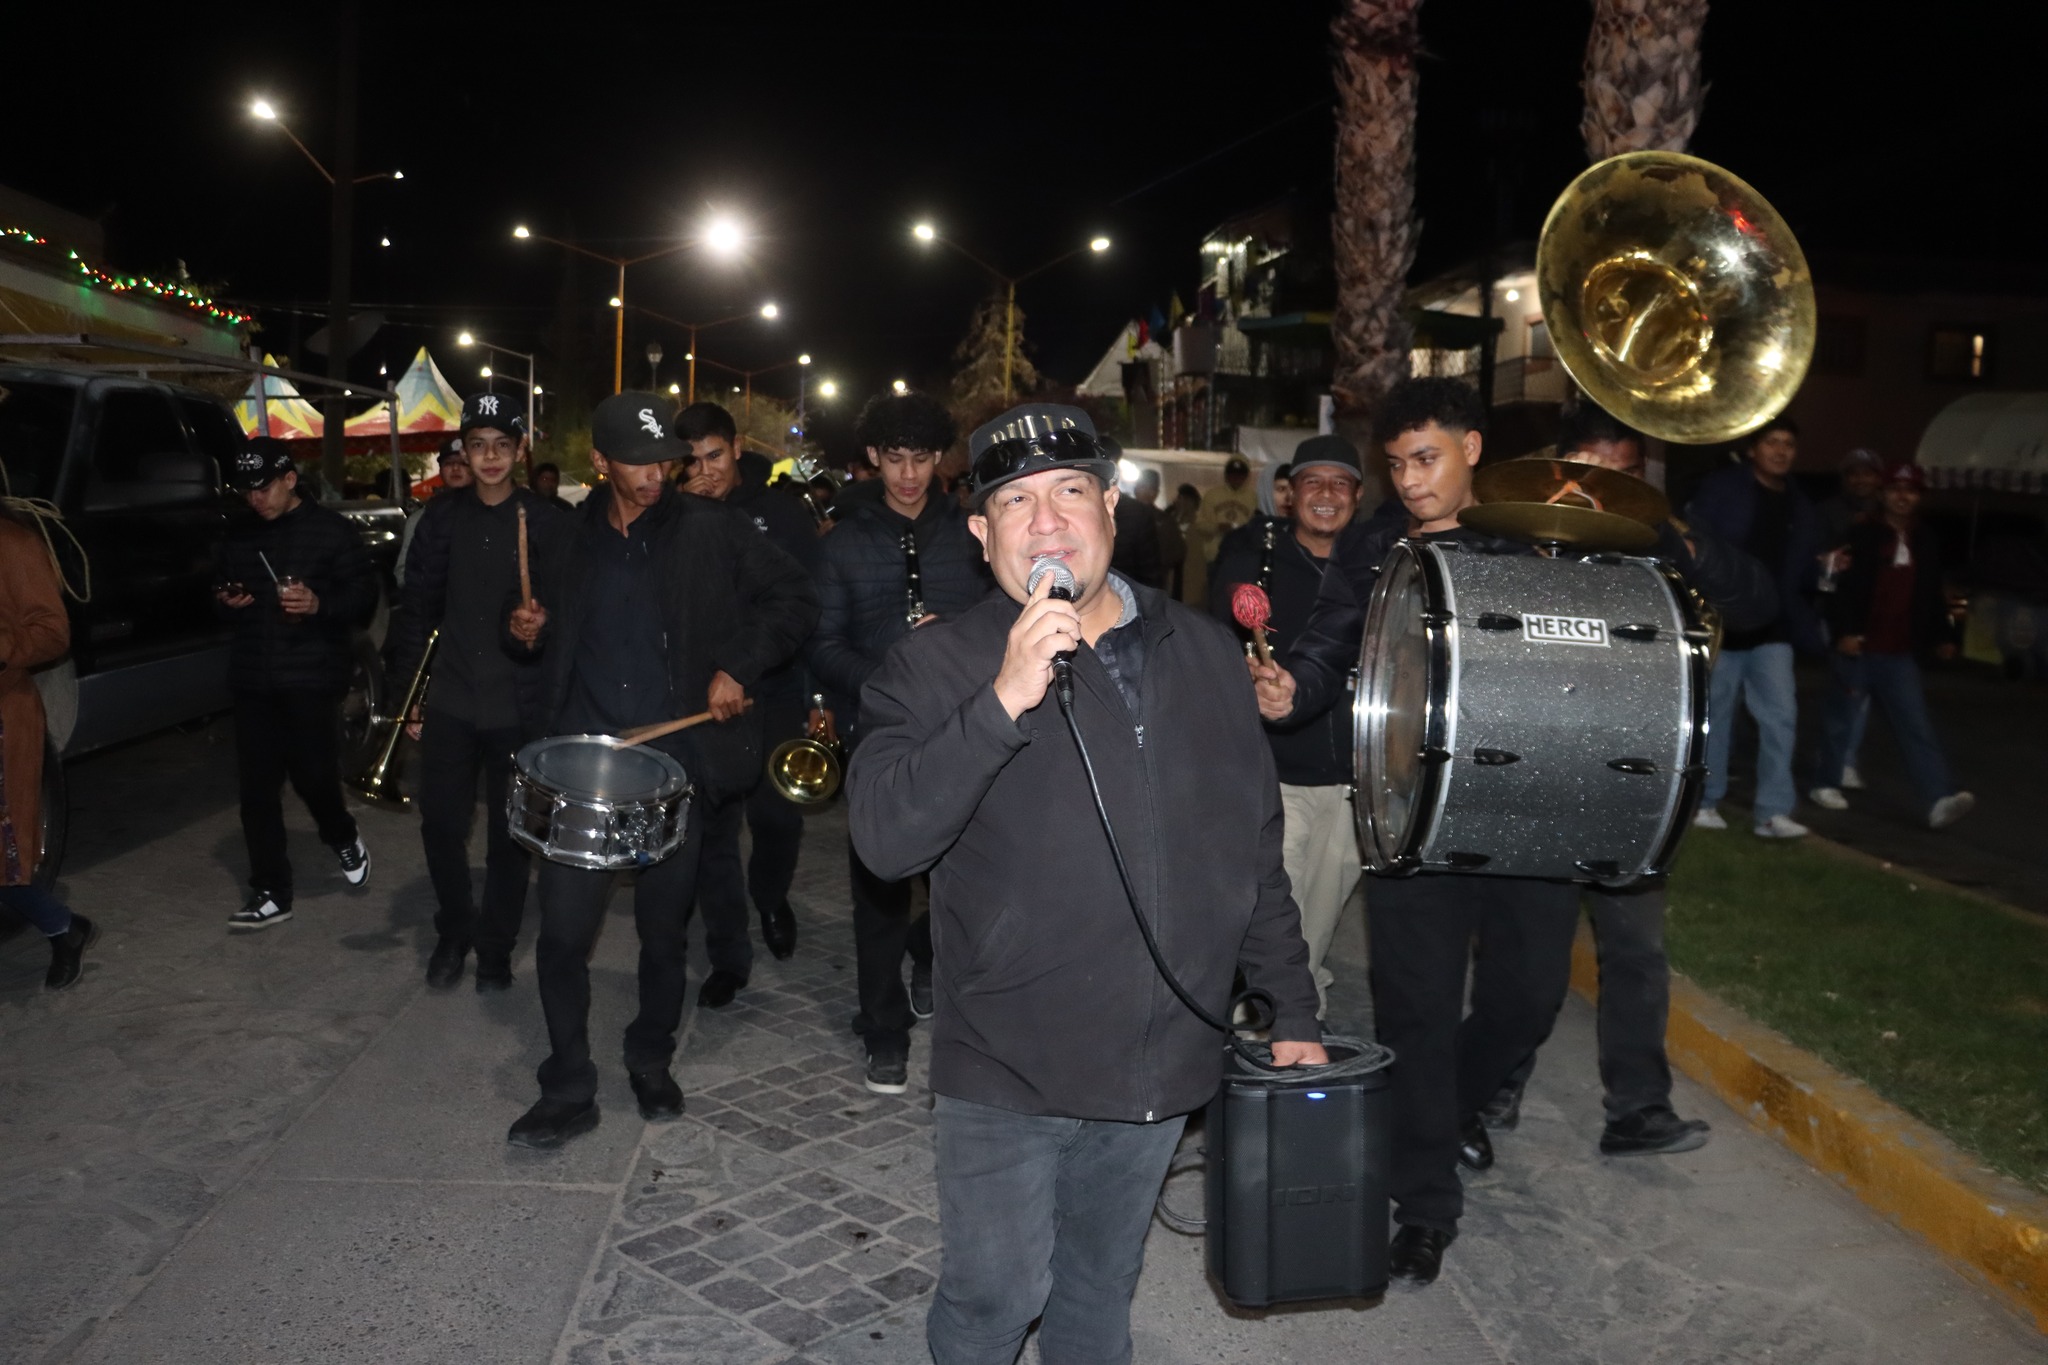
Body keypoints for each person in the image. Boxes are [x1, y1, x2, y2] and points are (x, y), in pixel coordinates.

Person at [847, 402, 1324, 1364]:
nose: (1048, 521)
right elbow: (884, 840)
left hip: (1157, 1060)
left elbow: (1252, 846)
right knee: (994, 1297)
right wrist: (1001, 700)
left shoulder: (1202, 656)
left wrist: (1296, 1011)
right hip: (1006, 1062)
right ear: (981, 535)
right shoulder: (932, 667)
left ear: (1110, 507)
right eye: (1015, 502)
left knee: (1097, 1296)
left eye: (1070, 491)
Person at [1248, 378, 1580, 1287]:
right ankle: (1425, 1204)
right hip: (1407, 808)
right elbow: (1329, 635)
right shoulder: (1373, 544)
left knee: (1530, 997)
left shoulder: (1537, 534)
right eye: (1395, 465)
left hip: (1524, 808)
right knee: (1418, 1015)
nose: (1410, 481)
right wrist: (1296, 688)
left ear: (1473, 447)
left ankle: (1443, 1112)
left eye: (1425, 459)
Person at [501, 393, 817, 1148]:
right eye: (638, 462)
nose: (656, 475)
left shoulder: (713, 529)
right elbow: (536, 642)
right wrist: (525, 634)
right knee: (561, 937)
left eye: (664, 461)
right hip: (586, 764)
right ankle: (568, 1082)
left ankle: (649, 1056)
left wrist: (738, 666)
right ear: (599, 463)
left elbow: (795, 598)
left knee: (664, 933)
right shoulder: (566, 537)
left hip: (676, 763)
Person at [1476, 406, 1778, 1161]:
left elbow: (1761, 600)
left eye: (1625, 473)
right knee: (1528, 964)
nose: (1606, 487)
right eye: (1591, 470)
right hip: (1545, 779)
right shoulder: (1518, 541)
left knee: (1637, 953)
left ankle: (1637, 1108)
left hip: (1636, 785)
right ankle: (1487, 1091)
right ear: (1559, 470)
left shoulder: (1659, 553)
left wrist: (1678, 537)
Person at [810, 390, 988, 1093]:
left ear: (940, 457)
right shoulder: (844, 539)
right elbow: (823, 643)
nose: (909, 473)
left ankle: (930, 954)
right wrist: (889, 677)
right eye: (894, 458)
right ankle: (882, 1029)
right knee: (879, 887)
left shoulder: (974, 531)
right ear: (873, 458)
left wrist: (956, 641)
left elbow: (1006, 619)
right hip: (879, 734)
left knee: (965, 881)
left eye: (921, 457)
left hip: (967, 729)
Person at [387, 395, 565, 990]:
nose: (489, 457)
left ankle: (495, 945)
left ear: (519, 452)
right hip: (452, 701)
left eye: (502, 445)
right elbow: (415, 611)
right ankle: (454, 929)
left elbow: (573, 610)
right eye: (478, 444)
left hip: (518, 705)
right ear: (462, 450)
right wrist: (406, 693)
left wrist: (544, 624)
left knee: (510, 838)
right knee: (440, 824)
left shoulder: (545, 520)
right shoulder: (440, 517)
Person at [1209, 438, 1362, 1018]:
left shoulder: (1378, 569)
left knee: (1319, 916)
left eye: (1340, 483)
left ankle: (1291, 1016)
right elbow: (1217, 629)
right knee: (1280, 906)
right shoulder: (1256, 558)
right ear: (1290, 493)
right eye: (1312, 482)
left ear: (1358, 496)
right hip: (1276, 770)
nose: (1326, 494)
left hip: (1351, 777)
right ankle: (1270, 1026)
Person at [673, 401, 819, 969]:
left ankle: (772, 898)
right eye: (691, 462)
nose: (706, 470)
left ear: (736, 448)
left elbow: (809, 605)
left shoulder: (782, 514)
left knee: (777, 815)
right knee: (714, 823)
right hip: (707, 695)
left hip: (776, 688)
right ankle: (727, 947)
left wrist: (816, 700)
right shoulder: (677, 517)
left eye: (714, 455)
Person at [215, 438, 377, 930]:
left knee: (312, 777)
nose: (254, 499)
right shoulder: (239, 534)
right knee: (257, 790)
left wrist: (319, 604)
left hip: (310, 675)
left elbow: (363, 600)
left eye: (262, 488)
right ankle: (270, 891)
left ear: (290, 478)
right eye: (245, 490)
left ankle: (342, 834)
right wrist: (227, 598)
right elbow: (218, 589)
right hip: (253, 677)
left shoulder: (333, 532)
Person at [1812, 462, 1975, 828]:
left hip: (1899, 651)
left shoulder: (1926, 540)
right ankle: (1825, 781)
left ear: (1919, 497)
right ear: (1884, 494)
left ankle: (1938, 798)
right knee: (1841, 719)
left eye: (1911, 490)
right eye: (1896, 489)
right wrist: (1846, 632)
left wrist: (1943, 636)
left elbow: (1932, 594)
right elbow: (1839, 588)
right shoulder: (1861, 533)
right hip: (1859, 645)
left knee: (1915, 723)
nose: (1903, 497)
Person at [1685, 416, 1824, 838]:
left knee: (1781, 717)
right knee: (1718, 716)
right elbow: (1696, 544)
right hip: (1726, 624)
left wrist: (1823, 573)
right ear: (1753, 449)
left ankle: (1772, 812)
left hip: (1774, 628)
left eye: (1788, 444)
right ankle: (1707, 802)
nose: (1781, 451)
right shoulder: (1724, 489)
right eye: (1772, 442)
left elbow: (1801, 571)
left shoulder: (1800, 504)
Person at [0, 509, 95, 988]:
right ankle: (64, 927)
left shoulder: (13, 544)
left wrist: (3, 646)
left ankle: (62, 928)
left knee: (4, 861)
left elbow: (52, 631)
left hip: (3, 714)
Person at [1812, 447, 1885, 797]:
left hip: (1874, 614)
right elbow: (1818, 562)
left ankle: (1846, 759)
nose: (1861, 479)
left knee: (1863, 693)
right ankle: (1835, 763)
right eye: (1854, 473)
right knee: (1846, 690)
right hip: (1838, 610)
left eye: (1867, 472)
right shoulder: (1828, 512)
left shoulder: (1886, 515)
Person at [1185, 454, 1258, 606]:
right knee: (1216, 598)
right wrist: (1217, 527)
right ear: (1226, 475)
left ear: (1246, 476)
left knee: (1240, 600)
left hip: (1243, 556)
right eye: (1232, 474)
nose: (1236, 478)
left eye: (1240, 475)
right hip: (1216, 555)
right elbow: (1200, 524)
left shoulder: (1253, 497)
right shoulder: (1213, 495)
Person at [395, 442, 471, 587]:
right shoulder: (420, 519)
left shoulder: (490, 513)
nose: (455, 468)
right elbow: (403, 574)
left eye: (463, 463)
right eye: (448, 463)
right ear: (441, 470)